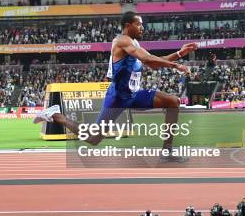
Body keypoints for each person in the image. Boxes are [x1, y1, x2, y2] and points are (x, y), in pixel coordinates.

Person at [34, 11, 197, 157]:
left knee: (172, 101)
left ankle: (166, 151)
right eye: (139, 24)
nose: (142, 28)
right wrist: (176, 66)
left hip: (133, 95)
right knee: (93, 138)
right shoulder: (121, 41)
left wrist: (179, 53)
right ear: (128, 25)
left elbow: (153, 63)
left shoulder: (135, 43)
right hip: (117, 98)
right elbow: (147, 59)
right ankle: (56, 115)